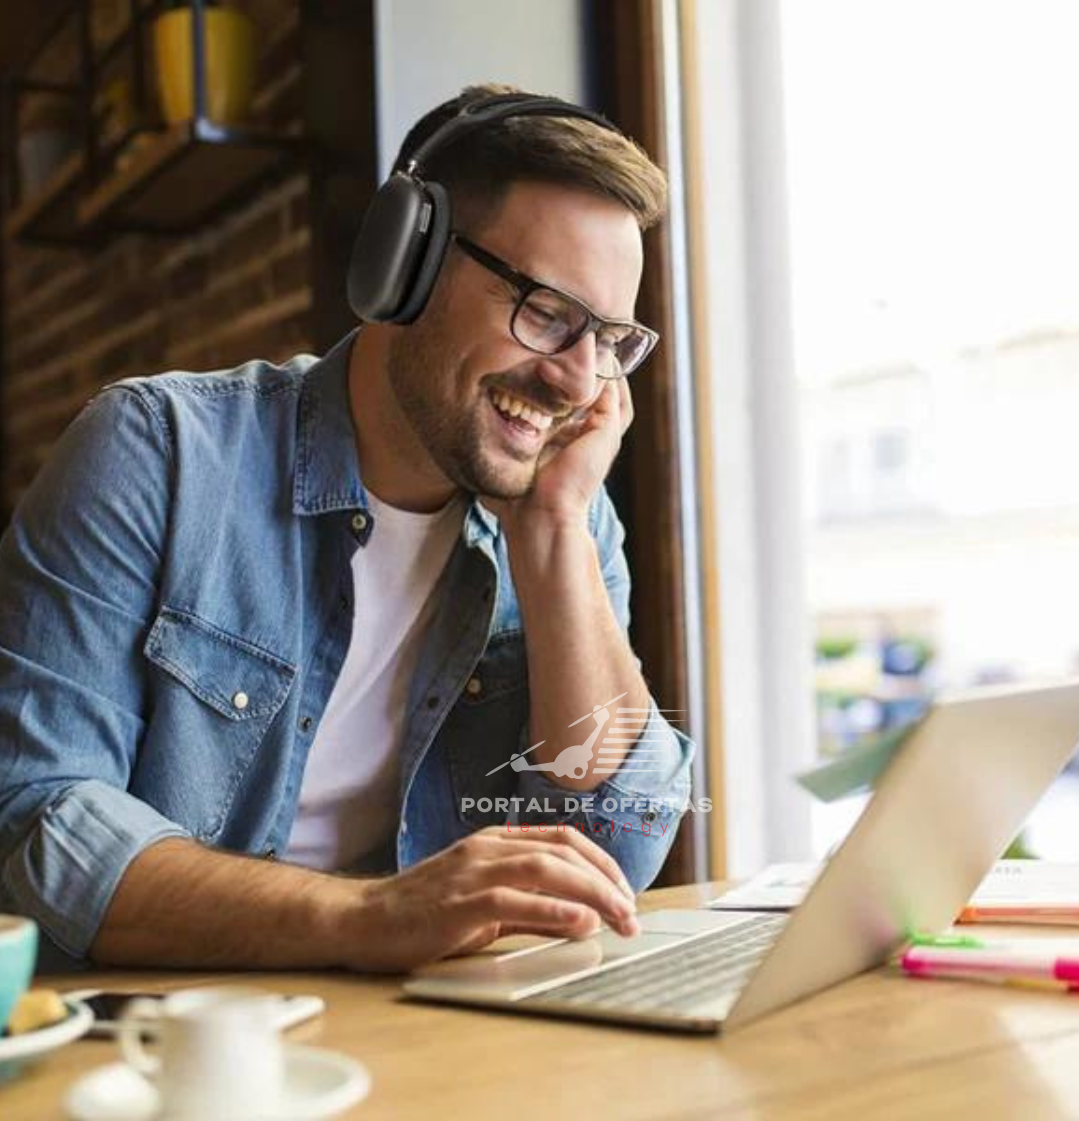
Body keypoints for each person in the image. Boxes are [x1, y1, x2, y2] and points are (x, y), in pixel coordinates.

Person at [0, 84, 695, 972]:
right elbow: (38, 820)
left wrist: (554, 531)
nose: (576, 381)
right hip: (162, 1048)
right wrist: (372, 917)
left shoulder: (565, 506)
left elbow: (615, 856)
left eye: (607, 341)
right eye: (547, 314)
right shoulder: (159, 454)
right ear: (403, 268)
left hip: (430, 1044)